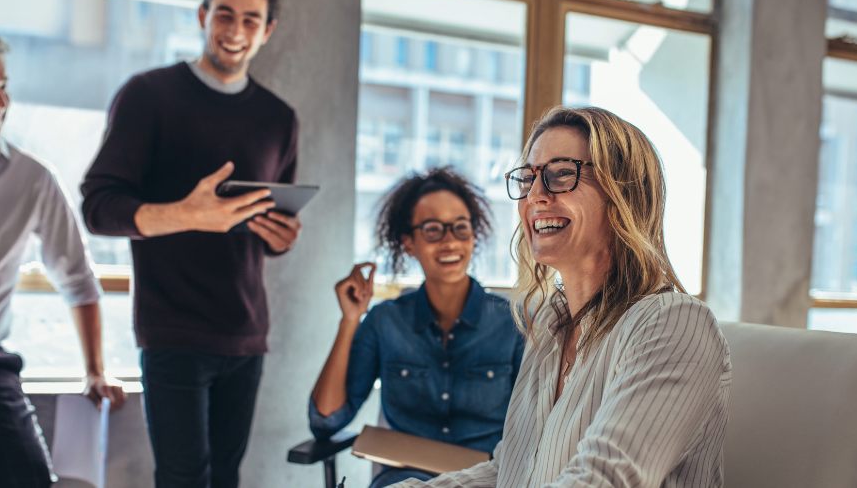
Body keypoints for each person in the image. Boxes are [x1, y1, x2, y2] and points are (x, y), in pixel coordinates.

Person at [388, 106, 732, 488]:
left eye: (561, 174)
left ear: (623, 193)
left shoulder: (674, 324)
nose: (535, 196)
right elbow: (509, 471)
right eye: (528, 178)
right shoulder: (549, 326)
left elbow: (602, 481)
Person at [80, 0, 298, 486]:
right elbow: (98, 208)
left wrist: (281, 236)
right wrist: (185, 214)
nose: (235, 30)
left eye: (250, 19)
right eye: (224, 14)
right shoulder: (148, 95)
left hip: (246, 333)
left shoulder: (279, 118)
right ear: (203, 16)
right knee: (183, 478)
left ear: (267, 31)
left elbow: (268, 229)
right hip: (172, 331)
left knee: (225, 477)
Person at [0, 23, 125, 487]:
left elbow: (77, 279)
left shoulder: (34, 181)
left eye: (3, 87)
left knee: (30, 478)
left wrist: (95, 371)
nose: (0, 101)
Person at [310, 168, 525, 488]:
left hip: (486, 480)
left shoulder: (513, 324)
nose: (450, 240)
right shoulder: (385, 322)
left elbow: (536, 428)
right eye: (433, 229)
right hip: (403, 479)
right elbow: (326, 420)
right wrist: (350, 320)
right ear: (408, 243)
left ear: (473, 236)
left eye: (460, 228)